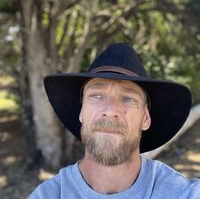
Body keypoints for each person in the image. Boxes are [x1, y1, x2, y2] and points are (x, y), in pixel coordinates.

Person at [28, 43, 200, 198]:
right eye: (96, 95)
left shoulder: (181, 193)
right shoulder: (48, 195)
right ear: (81, 112)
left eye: (128, 99)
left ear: (145, 118)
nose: (110, 110)